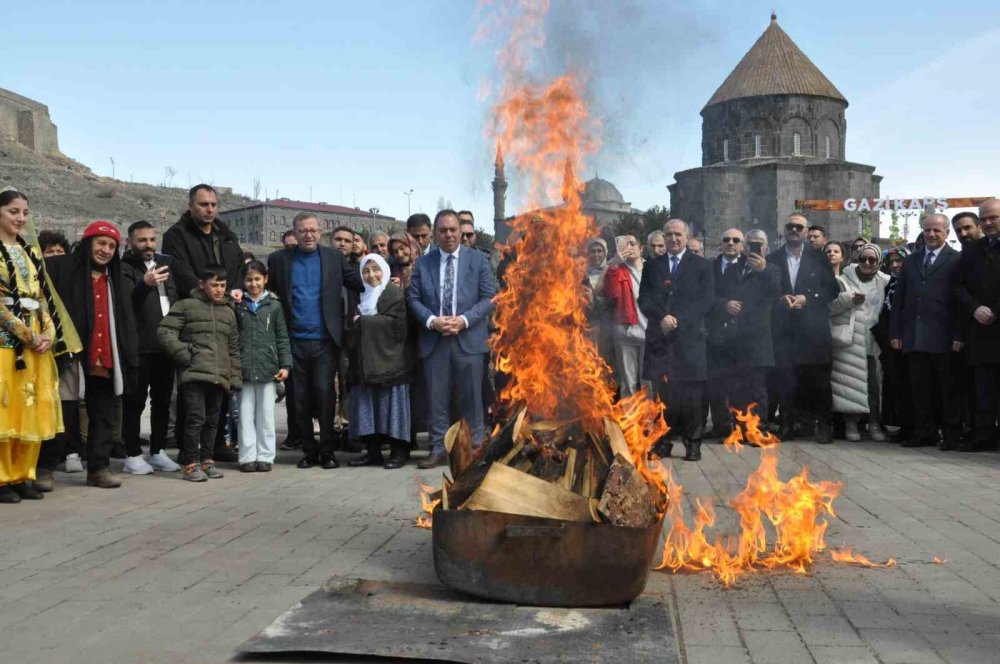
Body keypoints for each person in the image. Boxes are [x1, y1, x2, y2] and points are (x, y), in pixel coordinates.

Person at [47, 221, 139, 488]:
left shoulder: (118, 280)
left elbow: (127, 322)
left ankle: (99, 469)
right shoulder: (61, 269)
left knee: (104, 416)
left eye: (112, 246)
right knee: (62, 414)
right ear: (87, 243)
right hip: (72, 356)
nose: (106, 250)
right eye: (101, 243)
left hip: (107, 359)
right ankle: (45, 468)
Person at [0, 190, 78, 501]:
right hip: (7, 344)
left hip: (36, 344)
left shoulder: (32, 253)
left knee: (31, 407)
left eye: (24, 212)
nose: (20, 218)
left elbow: (43, 297)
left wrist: (48, 333)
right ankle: (2, 477)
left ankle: (23, 474)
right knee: (6, 408)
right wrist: (26, 335)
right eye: (12, 211)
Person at [268, 213, 362, 469]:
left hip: (325, 340)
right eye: (302, 231)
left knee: (324, 394)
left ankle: (327, 450)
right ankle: (308, 450)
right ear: (295, 233)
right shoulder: (279, 260)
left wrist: (384, 283)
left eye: (312, 230)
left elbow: (358, 282)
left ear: (320, 232)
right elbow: (265, 288)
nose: (308, 235)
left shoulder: (334, 258)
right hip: (293, 340)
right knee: (299, 398)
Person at [408, 210, 496, 469]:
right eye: (443, 230)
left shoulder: (478, 260)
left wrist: (465, 320)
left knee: (472, 399)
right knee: (437, 398)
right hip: (435, 341)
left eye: (453, 229)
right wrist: (432, 321)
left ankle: (475, 448)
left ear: (461, 231)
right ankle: (437, 449)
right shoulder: (424, 264)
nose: (448, 234)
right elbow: (413, 299)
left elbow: (489, 297)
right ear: (435, 234)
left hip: (468, 339)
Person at [162, 184, 243, 463]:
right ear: (190, 205)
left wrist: (230, 293)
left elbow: (238, 270)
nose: (209, 209)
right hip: (194, 316)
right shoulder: (176, 235)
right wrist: (206, 294)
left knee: (219, 386)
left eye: (213, 204)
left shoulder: (227, 236)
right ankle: (190, 452)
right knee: (193, 393)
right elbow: (182, 273)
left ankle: (216, 445)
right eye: (203, 204)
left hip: (223, 314)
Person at [639, 219, 714, 461]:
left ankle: (693, 444)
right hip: (660, 341)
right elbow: (644, 299)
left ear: (687, 236)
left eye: (678, 234)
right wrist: (661, 318)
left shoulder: (702, 265)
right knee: (663, 396)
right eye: (669, 234)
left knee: (692, 396)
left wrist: (678, 318)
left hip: (689, 339)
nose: (673, 239)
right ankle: (662, 442)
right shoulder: (652, 266)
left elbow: (705, 301)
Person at [157, 264, 241, 481]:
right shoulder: (185, 306)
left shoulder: (228, 313)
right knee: (195, 418)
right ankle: (190, 462)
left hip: (219, 375)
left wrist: (234, 377)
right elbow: (165, 330)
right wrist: (184, 355)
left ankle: (207, 460)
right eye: (214, 285)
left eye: (222, 285)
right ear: (202, 285)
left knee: (213, 420)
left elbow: (233, 348)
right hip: (194, 374)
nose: (219, 290)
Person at [890, 213, 963, 449]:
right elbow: (899, 299)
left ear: (946, 233)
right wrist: (896, 333)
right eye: (927, 230)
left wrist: (958, 335)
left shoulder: (956, 259)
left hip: (944, 338)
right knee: (920, 390)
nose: (931, 234)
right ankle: (924, 433)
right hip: (914, 337)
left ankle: (951, 435)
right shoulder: (911, 260)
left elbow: (960, 302)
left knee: (948, 390)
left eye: (937, 230)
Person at [767, 213, 839, 443]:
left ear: (806, 231)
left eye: (799, 227)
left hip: (813, 331)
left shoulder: (820, 258)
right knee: (786, 381)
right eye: (790, 226)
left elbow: (832, 290)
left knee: (818, 382)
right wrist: (779, 298)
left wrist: (808, 298)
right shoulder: (773, 258)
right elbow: (764, 292)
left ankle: (824, 426)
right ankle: (788, 425)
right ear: (784, 230)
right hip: (784, 332)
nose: (795, 230)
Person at [706, 229, 780, 437]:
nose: (754, 247)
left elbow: (777, 293)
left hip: (758, 338)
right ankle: (740, 429)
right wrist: (724, 305)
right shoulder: (733, 270)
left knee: (757, 388)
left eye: (759, 244)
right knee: (738, 388)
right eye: (750, 244)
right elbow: (717, 295)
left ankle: (759, 430)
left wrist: (764, 270)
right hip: (735, 339)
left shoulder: (773, 269)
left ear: (766, 246)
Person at [120, 221, 181, 474]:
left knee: (162, 402)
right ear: (130, 242)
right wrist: (145, 283)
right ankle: (132, 454)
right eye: (142, 240)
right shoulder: (124, 268)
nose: (148, 245)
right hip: (139, 347)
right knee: (134, 402)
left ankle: (157, 451)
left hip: (165, 347)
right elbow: (125, 303)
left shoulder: (166, 267)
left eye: (152, 240)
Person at [346, 254, 414, 469]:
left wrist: (364, 322)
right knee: (369, 409)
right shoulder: (361, 296)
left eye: (376, 269)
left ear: (384, 270)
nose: (371, 275)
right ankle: (372, 452)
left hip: (391, 362)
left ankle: (398, 452)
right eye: (366, 271)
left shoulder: (394, 294)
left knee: (392, 409)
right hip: (365, 364)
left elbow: (398, 325)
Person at [234, 261, 291, 472]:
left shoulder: (274, 305)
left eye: (257, 279)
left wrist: (285, 364)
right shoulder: (238, 305)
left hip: (268, 369)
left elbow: (282, 337)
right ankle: (247, 456)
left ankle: (266, 455)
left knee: (266, 416)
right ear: (243, 281)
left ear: (265, 279)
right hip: (244, 368)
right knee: (245, 416)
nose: (253, 283)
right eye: (249, 279)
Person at [829, 243, 888, 441]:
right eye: (863, 259)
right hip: (851, 340)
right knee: (850, 384)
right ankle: (851, 424)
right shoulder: (844, 279)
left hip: (874, 340)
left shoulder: (884, 281)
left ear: (879, 261)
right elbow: (829, 307)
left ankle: (873, 423)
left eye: (872, 260)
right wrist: (849, 299)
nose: (867, 263)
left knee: (873, 385)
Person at [955, 199, 1000, 452]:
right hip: (979, 331)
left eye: (993, 217)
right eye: (984, 219)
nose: (988, 223)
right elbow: (959, 285)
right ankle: (984, 436)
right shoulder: (972, 250)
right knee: (983, 390)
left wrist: (995, 311)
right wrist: (975, 308)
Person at [871, 246, 912, 442]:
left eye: (900, 261)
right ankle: (901, 425)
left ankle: (912, 428)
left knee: (908, 386)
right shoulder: (890, 284)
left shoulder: (912, 283)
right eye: (892, 262)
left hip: (906, 344)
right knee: (894, 385)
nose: (895, 265)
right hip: (890, 345)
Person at [602, 235, 647, 396]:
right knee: (628, 383)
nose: (629, 247)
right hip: (625, 332)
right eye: (625, 244)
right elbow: (610, 293)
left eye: (633, 244)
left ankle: (648, 420)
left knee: (647, 382)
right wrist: (614, 264)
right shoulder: (618, 269)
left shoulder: (651, 269)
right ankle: (629, 419)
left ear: (641, 248)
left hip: (648, 332)